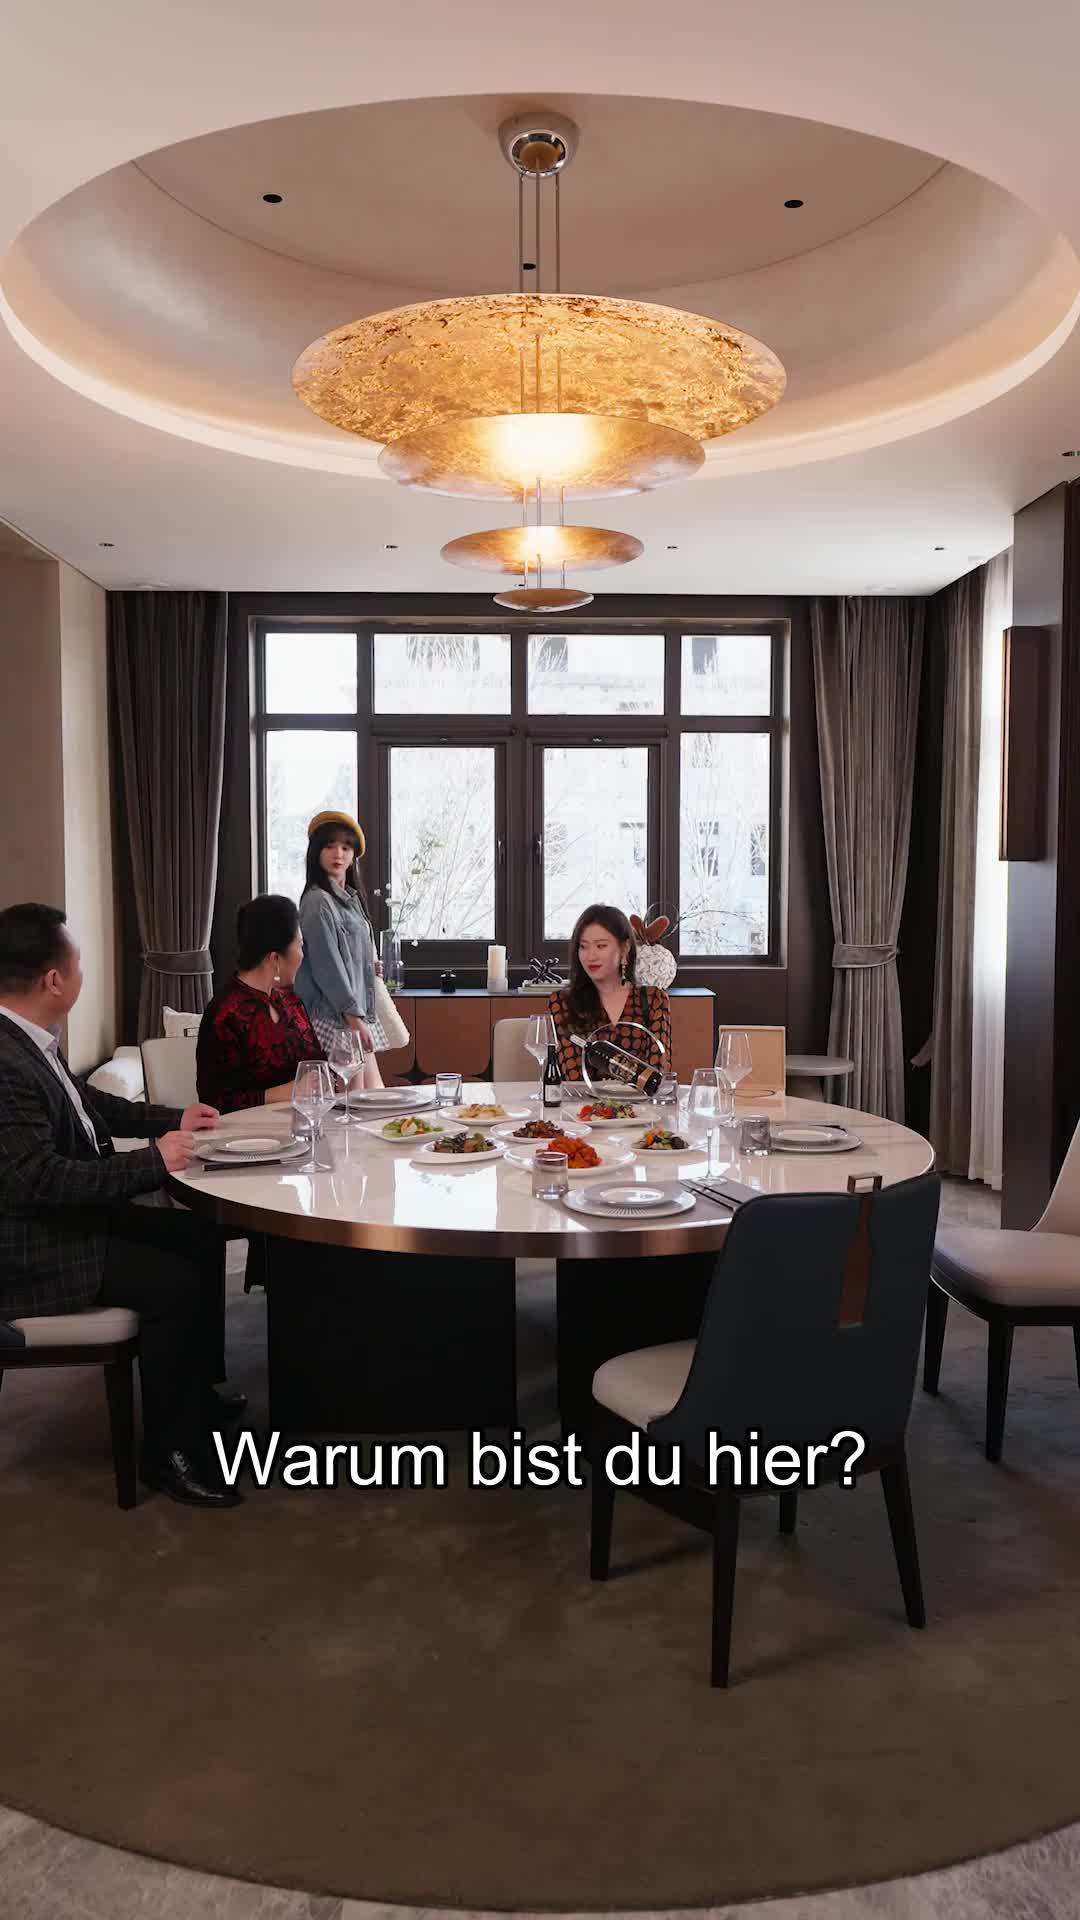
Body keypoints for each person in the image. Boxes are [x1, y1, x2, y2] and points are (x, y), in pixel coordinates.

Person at [0, 903, 244, 1509]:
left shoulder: (28, 1040)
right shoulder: (5, 1061)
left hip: (67, 1219)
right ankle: (171, 1454)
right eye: (78, 963)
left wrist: (174, 1119)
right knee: (174, 1284)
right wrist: (152, 1162)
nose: (81, 973)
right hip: (33, 1247)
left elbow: (90, 1108)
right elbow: (37, 1179)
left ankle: (194, 1401)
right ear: (54, 980)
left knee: (200, 1235)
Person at [197, 894, 323, 1113]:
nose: (303, 955)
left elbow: (317, 1064)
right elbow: (214, 1104)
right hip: (246, 1131)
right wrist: (286, 1092)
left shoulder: (291, 1002)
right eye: (300, 945)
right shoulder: (225, 1015)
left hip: (303, 1121)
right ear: (275, 959)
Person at [294, 811, 385, 1089]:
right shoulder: (318, 901)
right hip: (336, 1016)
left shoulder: (351, 900)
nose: (338, 854)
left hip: (353, 1012)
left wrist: (367, 965)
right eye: (330, 846)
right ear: (316, 852)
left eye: (346, 847)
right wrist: (353, 1019)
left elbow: (348, 954)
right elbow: (327, 966)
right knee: (353, 1102)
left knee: (373, 1098)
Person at [548, 903, 672, 1081]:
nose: (590, 956)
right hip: (583, 1099)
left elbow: (658, 1073)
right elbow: (574, 1078)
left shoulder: (654, 999)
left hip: (642, 1099)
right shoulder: (562, 1002)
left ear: (625, 948)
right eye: (583, 946)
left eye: (601, 946)